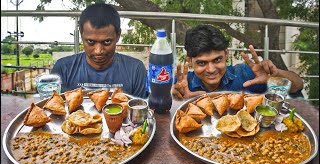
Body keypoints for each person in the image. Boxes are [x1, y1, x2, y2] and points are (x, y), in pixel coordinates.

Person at [172, 24, 304, 100]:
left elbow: (297, 86)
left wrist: (274, 75)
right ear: (189, 59)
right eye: (202, 63)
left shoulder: (246, 75)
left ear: (226, 54)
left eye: (217, 60)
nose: (211, 69)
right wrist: (177, 103)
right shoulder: (181, 86)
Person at [51, 3, 148, 98]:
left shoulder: (136, 70)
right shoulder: (63, 69)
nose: (98, 51)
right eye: (90, 41)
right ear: (81, 35)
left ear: (118, 35)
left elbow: (140, 110)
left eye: (107, 41)